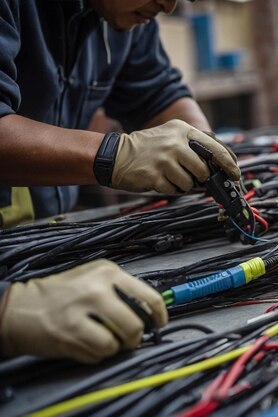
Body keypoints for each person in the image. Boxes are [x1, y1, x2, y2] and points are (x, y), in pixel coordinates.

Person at [0, 0, 240, 362]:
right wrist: (116, 154)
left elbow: (157, 92)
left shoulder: (122, 12)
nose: (169, 5)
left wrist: (205, 152)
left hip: (38, 244)